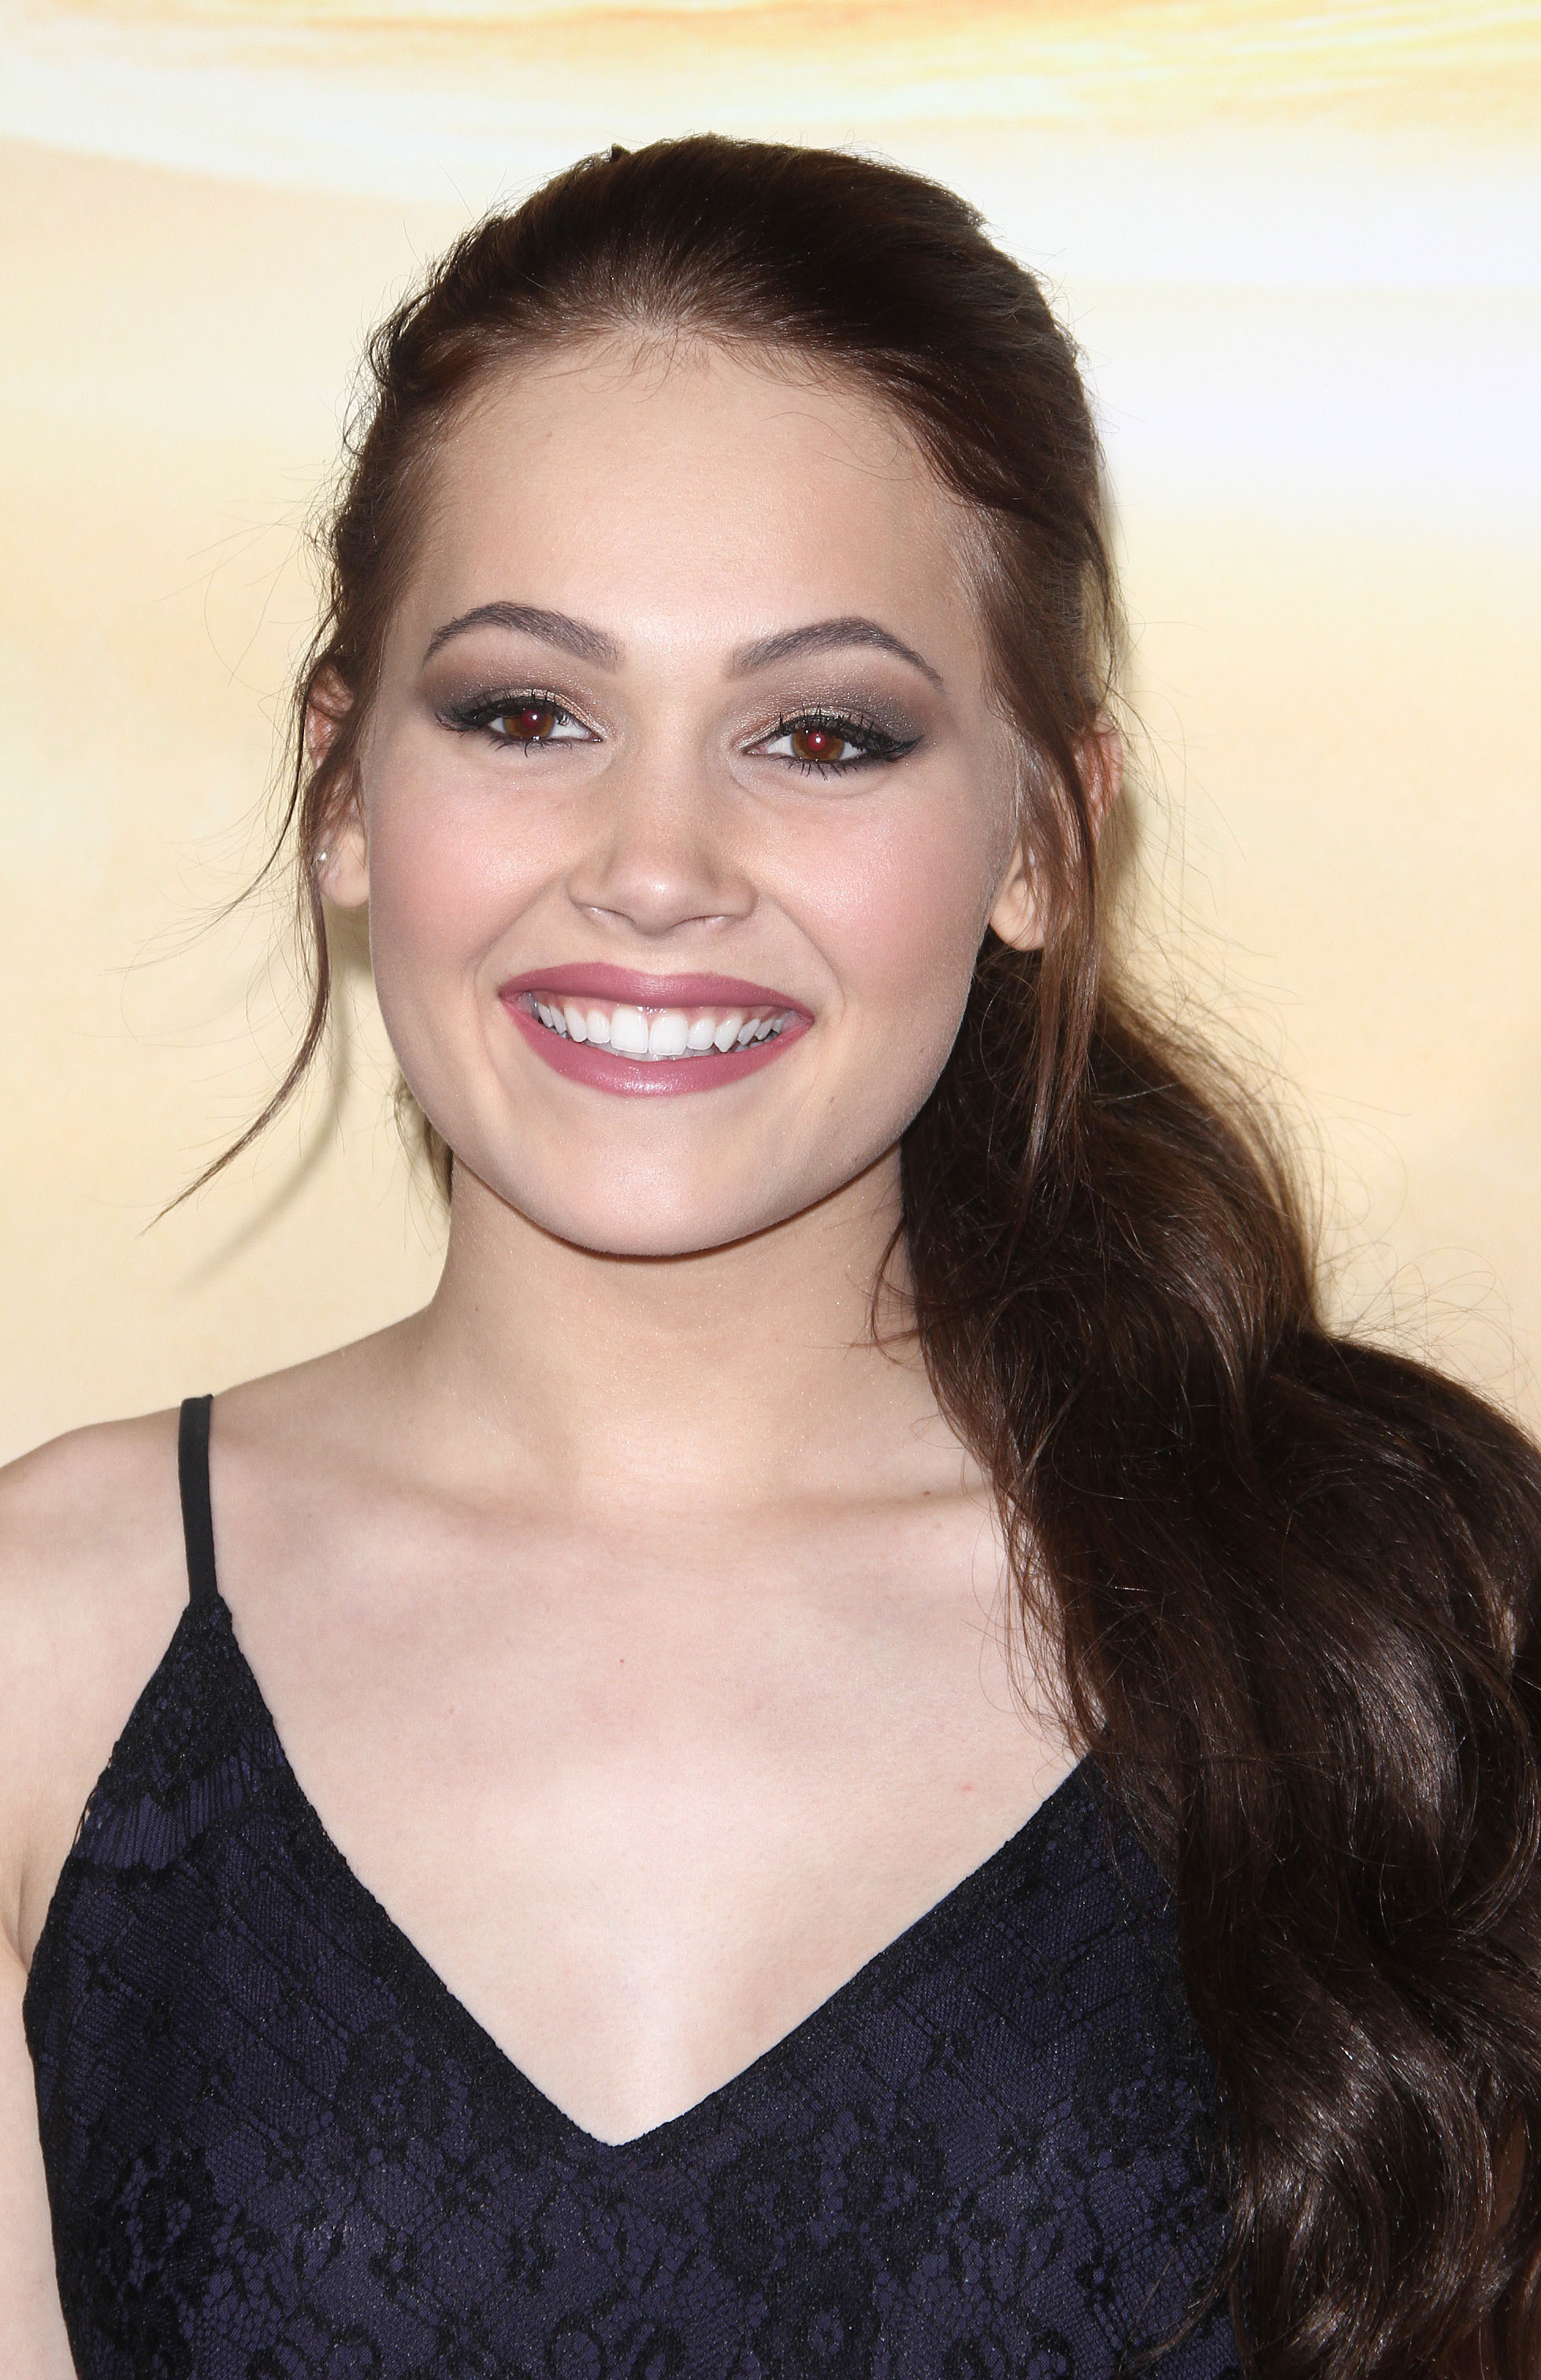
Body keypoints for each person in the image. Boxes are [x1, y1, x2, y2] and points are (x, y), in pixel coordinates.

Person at [2, 136, 1538, 2380]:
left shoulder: (1396, 1617)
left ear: (1041, 836)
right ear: (344, 792)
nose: (656, 864)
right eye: (527, 712)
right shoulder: (47, 1643)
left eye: (822, 735)